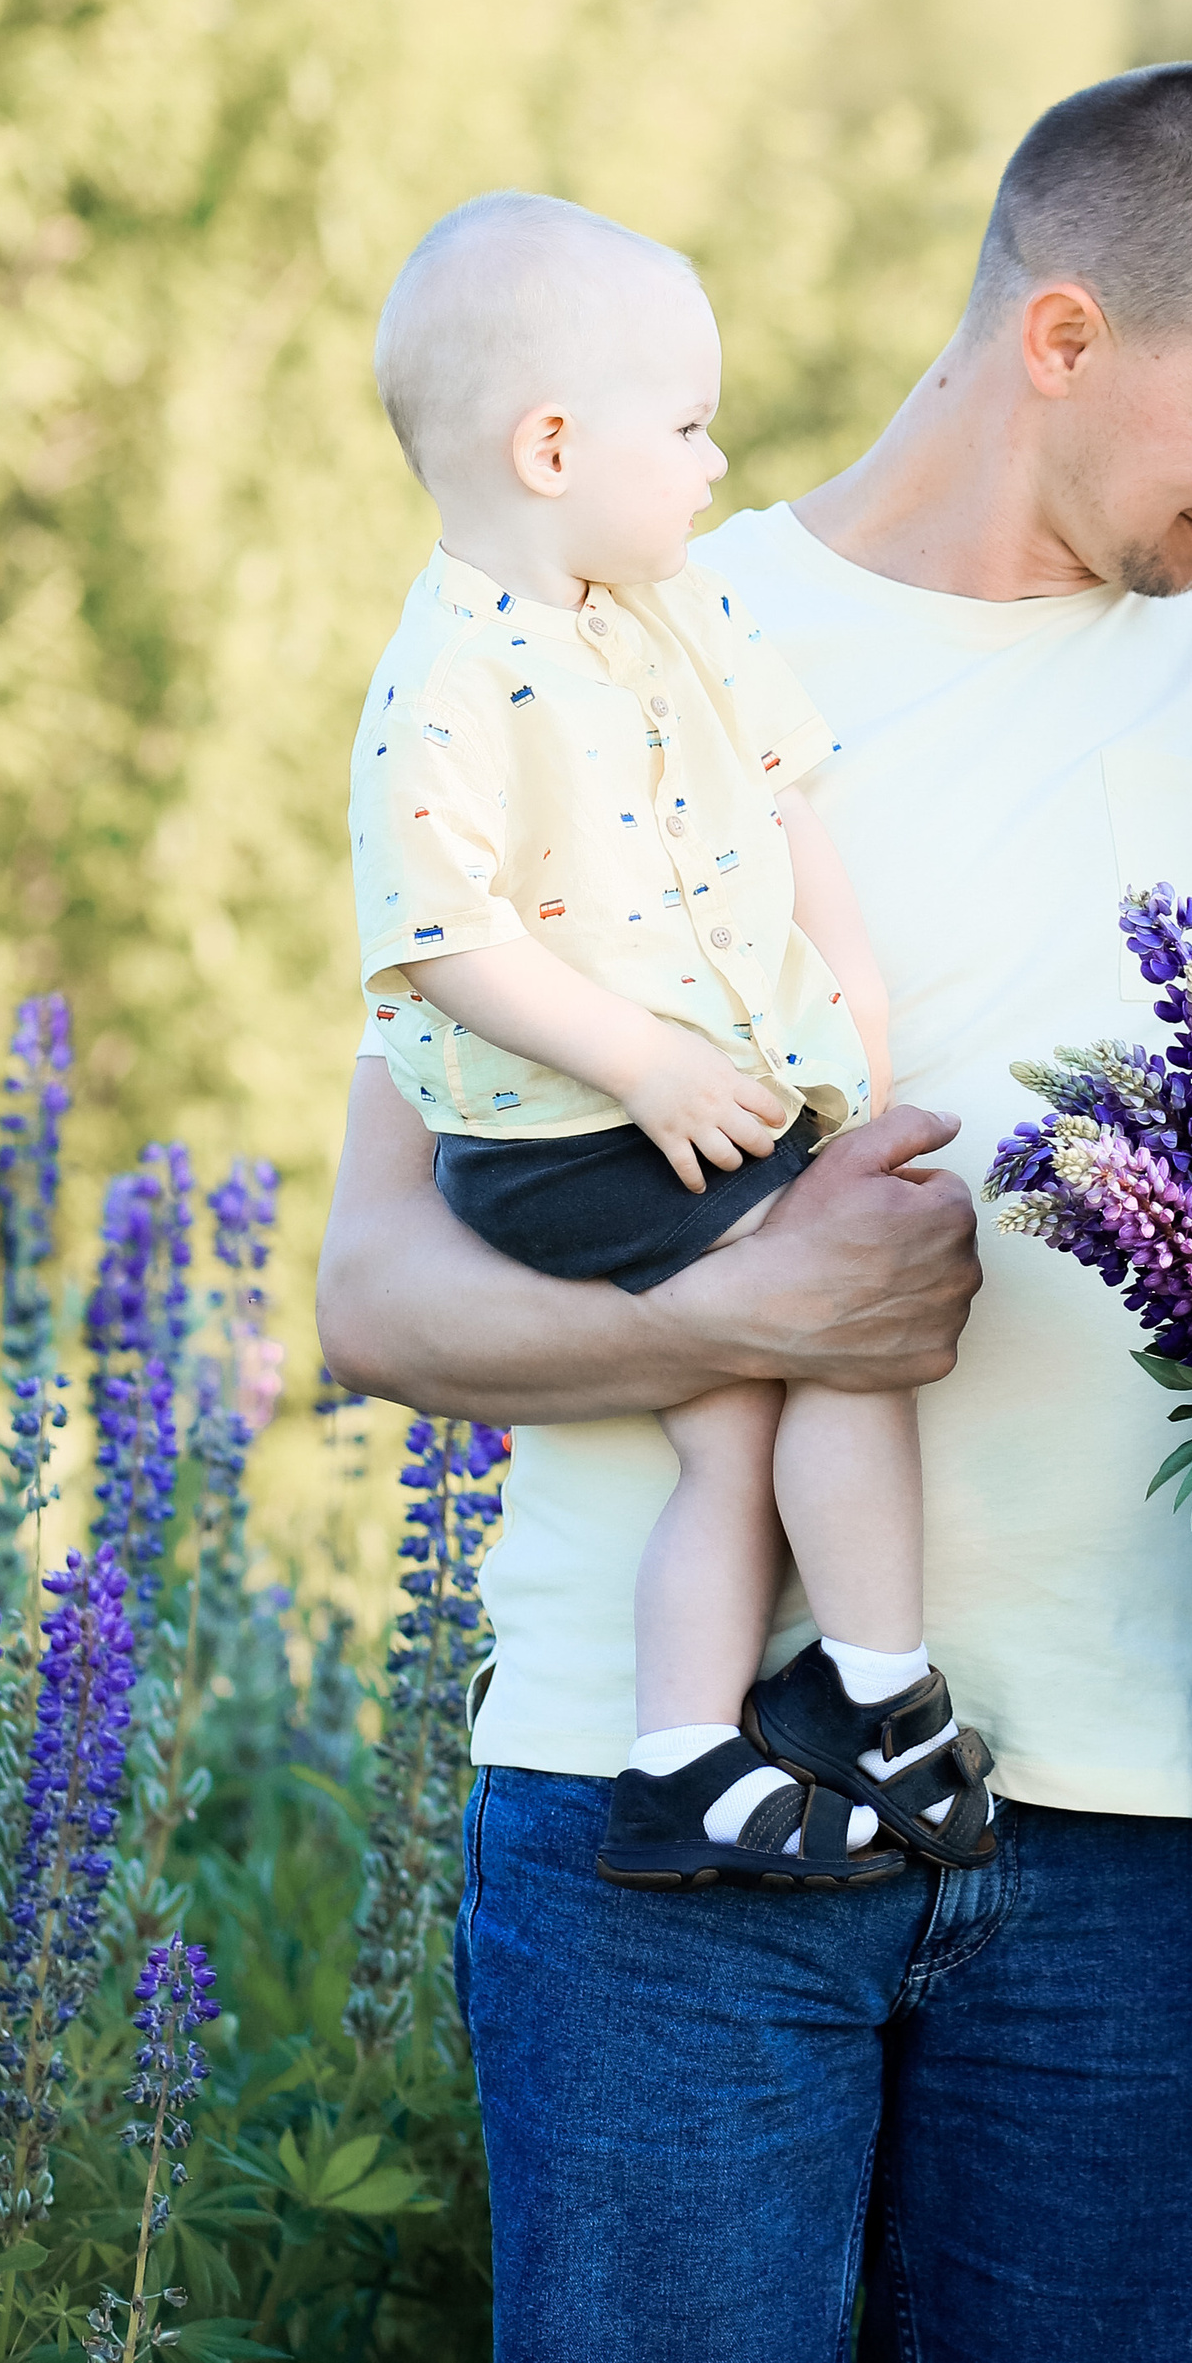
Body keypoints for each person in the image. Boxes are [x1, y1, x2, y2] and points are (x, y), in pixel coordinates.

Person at [315, 68, 1192, 2363]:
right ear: (1061, 337)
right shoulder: (615, 635)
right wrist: (753, 1313)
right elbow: (374, 1290)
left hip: (1139, 1845)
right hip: (661, 1809)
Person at [353, 190, 991, 1894]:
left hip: (682, 1107)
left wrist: (846, 980)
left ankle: (679, 1754)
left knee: (729, 1419)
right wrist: (640, 1062)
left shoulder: (668, 608)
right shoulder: (446, 675)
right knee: (839, 1327)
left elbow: (788, 792)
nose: (715, 464)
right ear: (551, 443)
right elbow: (446, 932)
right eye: (689, 426)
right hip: (571, 1136)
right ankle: (883, 1694)